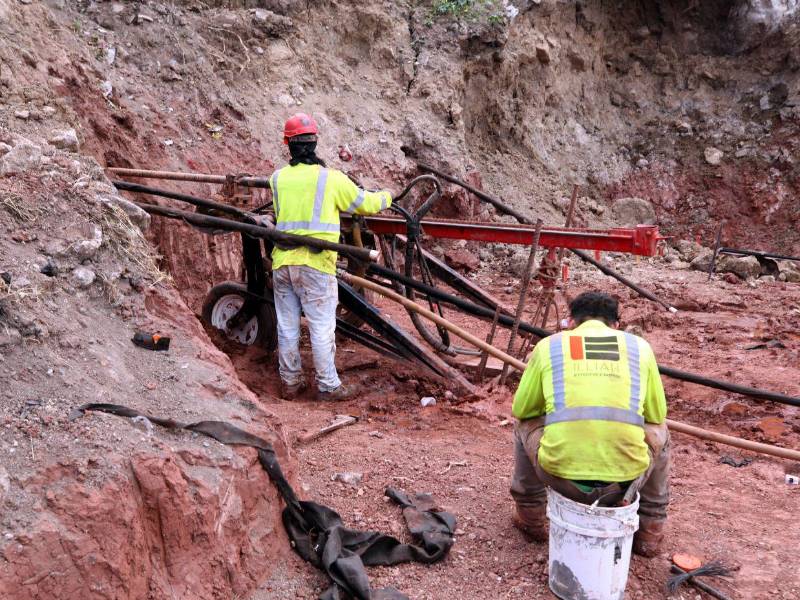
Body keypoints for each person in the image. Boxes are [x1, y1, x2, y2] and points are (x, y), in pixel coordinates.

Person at [509, 291, 670, 557]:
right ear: (616, 325)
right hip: (626, 480)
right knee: (660, 432)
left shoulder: (550, 346)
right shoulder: (639, 347)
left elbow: (521, 409)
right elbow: (656, 414)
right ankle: (650, 532)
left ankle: (530, 518)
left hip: (559, 477)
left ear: (571, 322)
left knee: (526, 422)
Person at [268, 113, 392, 401]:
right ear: (315, 142)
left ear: (288, 144)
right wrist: (388, 195)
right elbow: (367, 204)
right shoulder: (332, 179)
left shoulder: (277, 179)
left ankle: (290, 382)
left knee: (287, 325)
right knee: (321, 327)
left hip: (283, 263)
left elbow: (279, 215)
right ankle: (328, 385)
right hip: (316, 264)